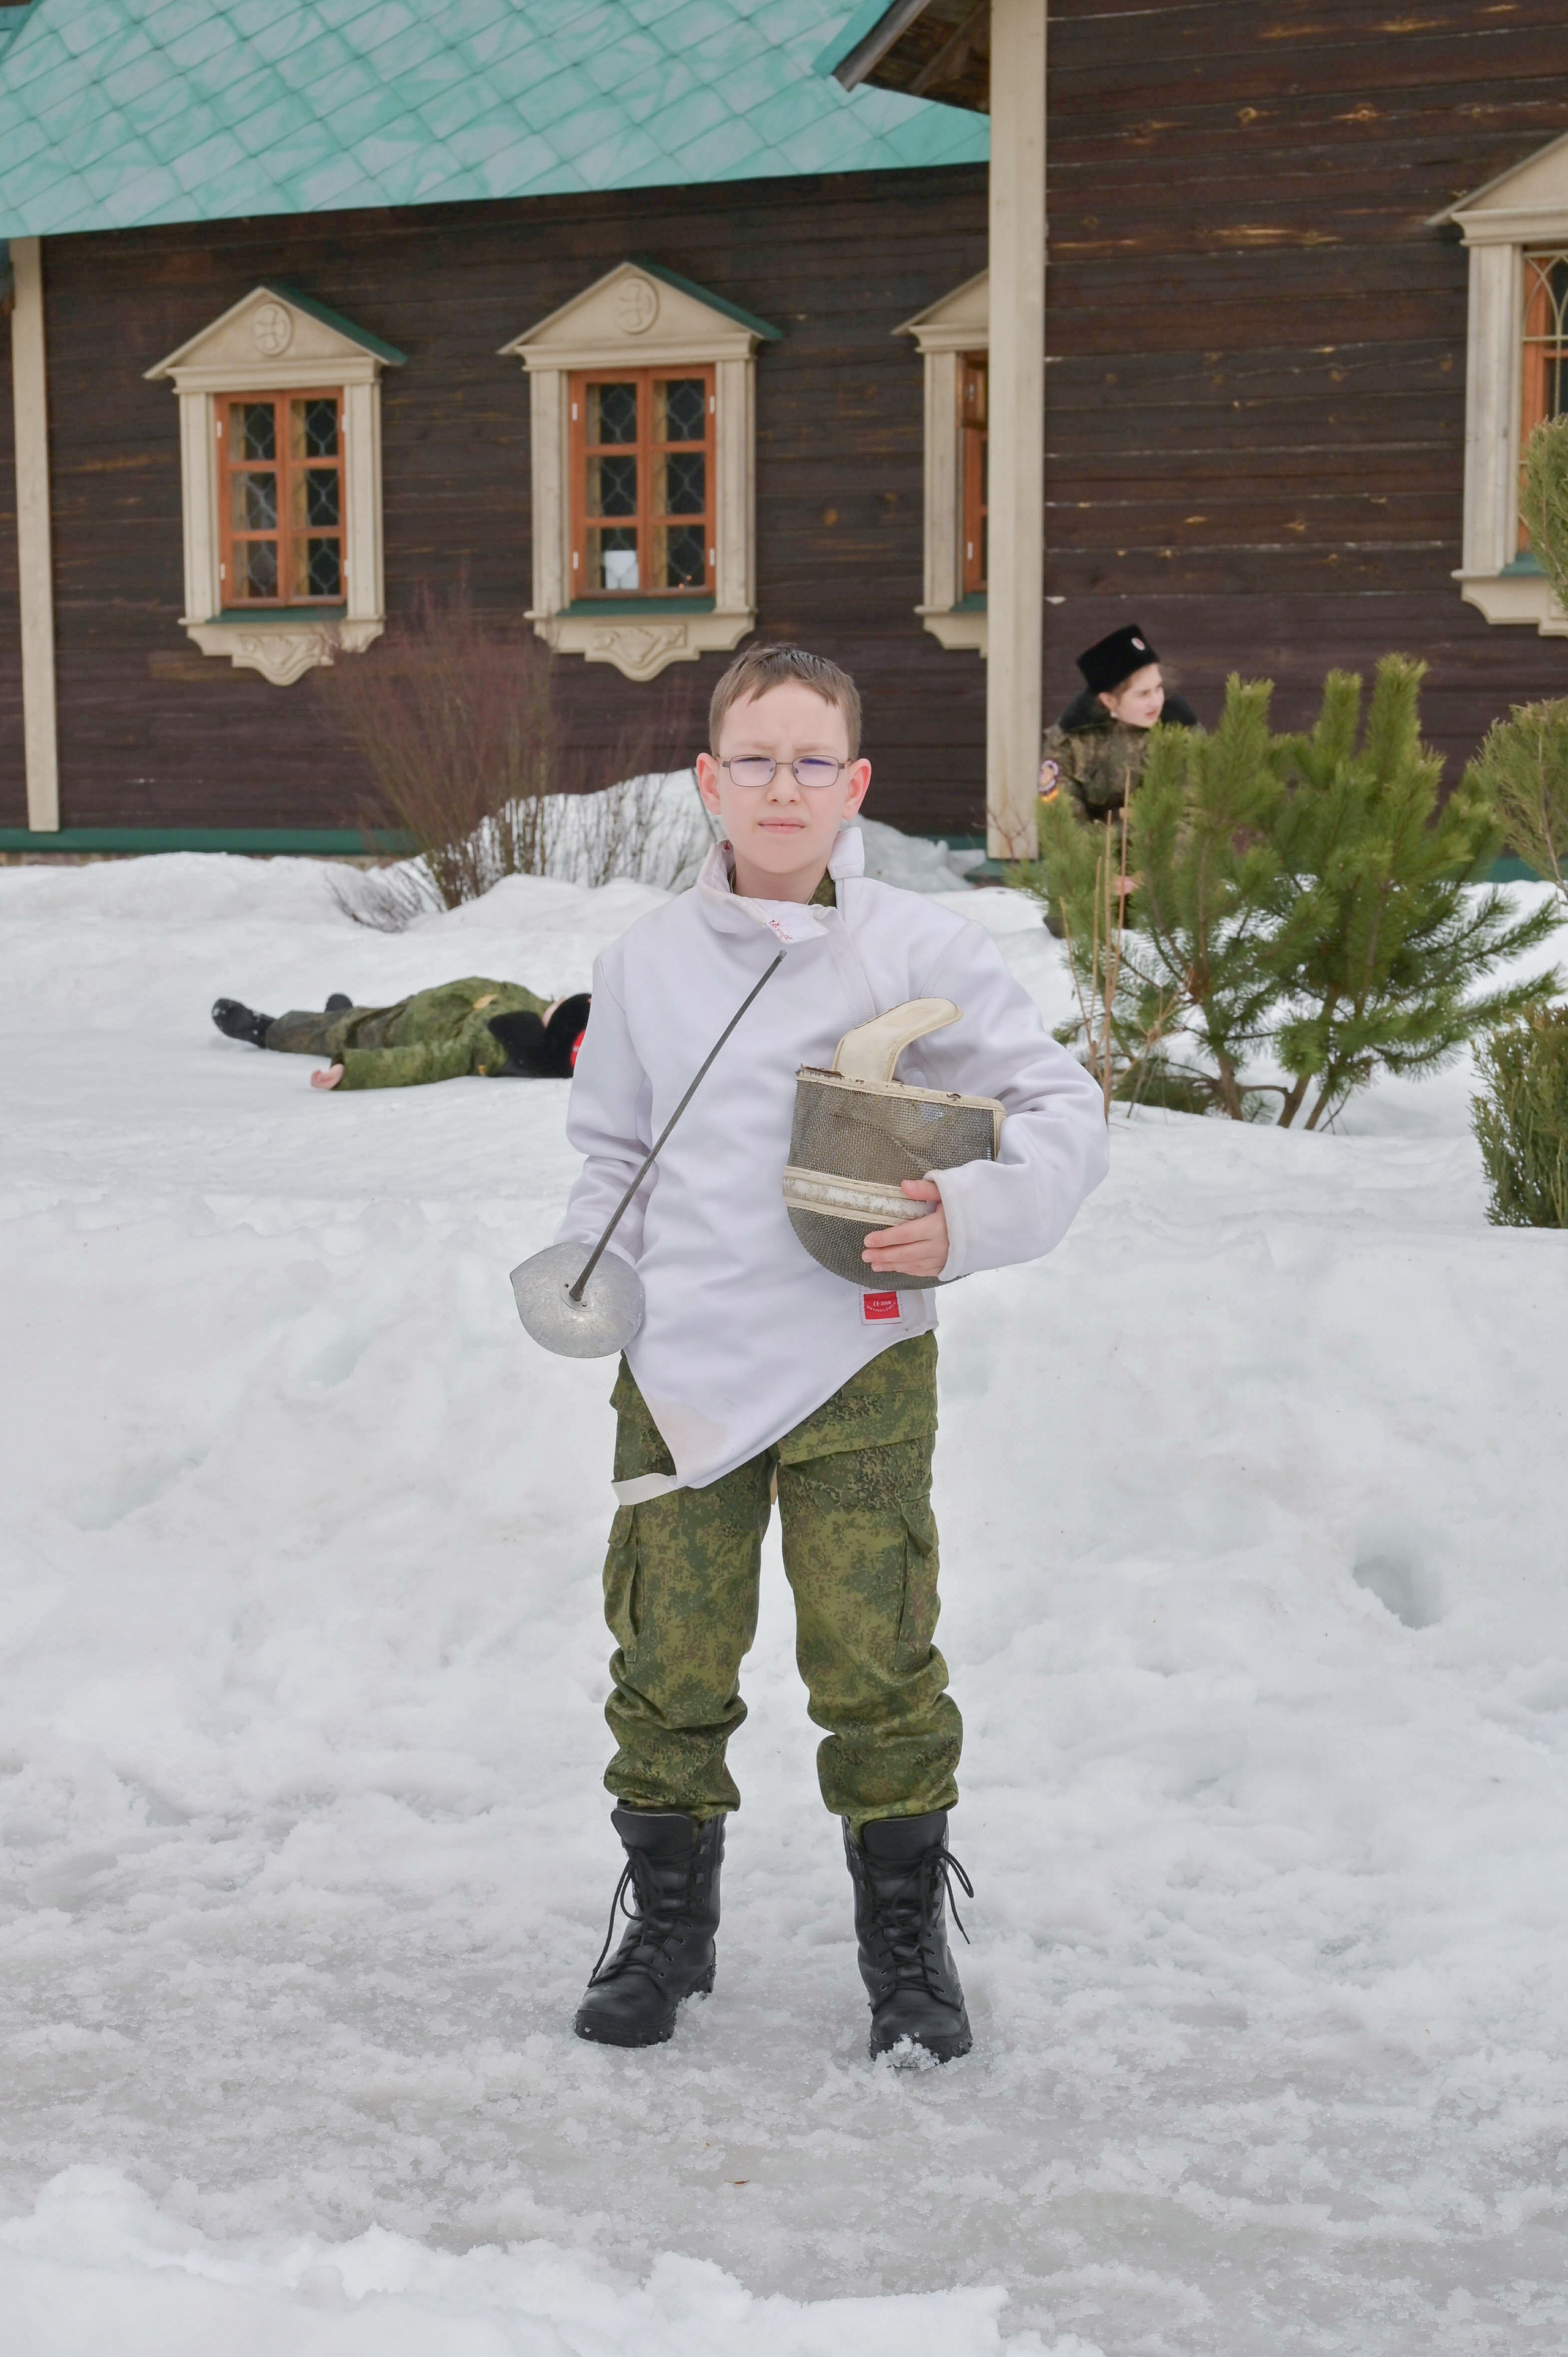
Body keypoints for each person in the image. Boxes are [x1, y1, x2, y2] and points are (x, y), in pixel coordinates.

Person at [559, 643, 1107, 2064]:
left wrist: (971, 1214)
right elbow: (612, 1147)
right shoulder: (644, 964)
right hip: (679, 1364)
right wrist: (593, 1270)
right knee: (667, 1658)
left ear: (855, 783)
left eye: (813, 760)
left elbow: (1056, 1105)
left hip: (857, 1359)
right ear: (707, 781)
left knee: (876, 1660)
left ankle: (903, 1949)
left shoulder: (925, 952)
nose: (783, 786)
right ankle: (667, 1935)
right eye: (755, 759)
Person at [211, 981, 590, 1088]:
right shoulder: (535, 1009)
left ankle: (264, 1029)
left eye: (560, 1006)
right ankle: (340, 1014)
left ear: (556, 1030)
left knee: (342, 1032)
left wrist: (352, 1071)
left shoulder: (492, 1046)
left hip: (397, 1032)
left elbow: (424, 1062)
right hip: (415, 1007)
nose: (554, 999)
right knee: (352, 1018)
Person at [1038, 622, 1199, 826]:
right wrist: (1108, 850)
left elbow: (1194, 814)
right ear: (1108, 701)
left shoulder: (1182, 731)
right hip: (1093, 854)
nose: (1157, 701)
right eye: (1143, 694)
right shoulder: (1070, 742)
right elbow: (1061, 821)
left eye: (1158, 688)